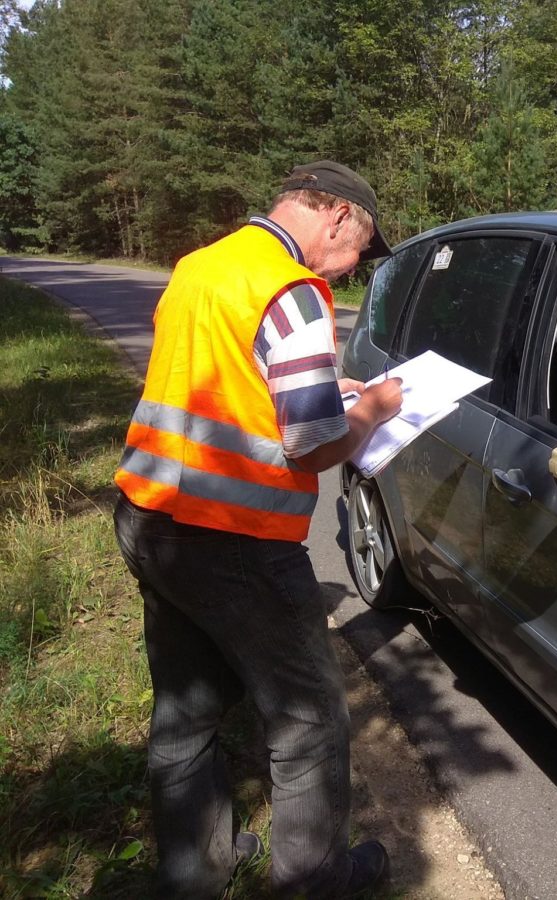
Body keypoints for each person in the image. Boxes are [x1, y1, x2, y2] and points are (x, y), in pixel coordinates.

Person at [112, 161, 404, 899]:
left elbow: (226, 380)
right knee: (308, 724)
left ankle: (196, 872)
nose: (349, 271)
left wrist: (324, 394)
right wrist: (375, 409)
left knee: (187, 713)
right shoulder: (292, 288)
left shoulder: (203, 266)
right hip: (235, 538)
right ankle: (318, 885)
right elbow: (313, 443)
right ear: (337, 215)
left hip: (152, 518)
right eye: (358, 251)